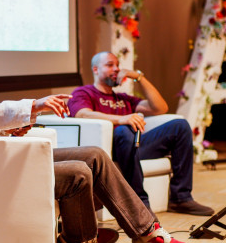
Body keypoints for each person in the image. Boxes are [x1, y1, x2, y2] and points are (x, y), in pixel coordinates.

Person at [0, 26, 194, 243]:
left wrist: (8, 131)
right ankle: (78, 239)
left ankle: (146, 232)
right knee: (77, 172)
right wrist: (34, 106)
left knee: (94, 155)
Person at [67, 51, 214, 217]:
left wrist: (138, 77)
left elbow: (160, 108)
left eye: (117, 65)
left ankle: (181, 198)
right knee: (124, 130)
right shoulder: (84, 92)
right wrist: (121, 119)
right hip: (109, 151)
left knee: (179, 126)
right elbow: (82, 114)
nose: (116, 69)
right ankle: (139, 204)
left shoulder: (123, 98)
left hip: (133, 148)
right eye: (109, 65)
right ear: (95, 69)